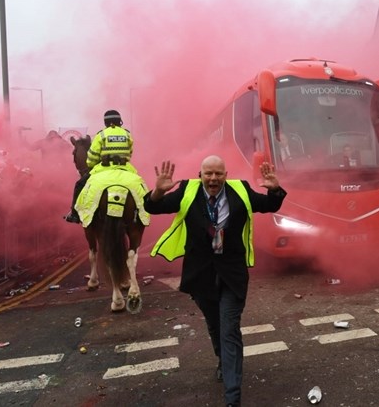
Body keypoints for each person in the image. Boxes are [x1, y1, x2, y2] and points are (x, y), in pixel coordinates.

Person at [144, 155, 286, 407]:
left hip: (232, 275)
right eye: (208, 174)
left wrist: (274, 189)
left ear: (225, 174)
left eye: (218, 174)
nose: (213, 179)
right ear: (200, 174)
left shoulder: (240, 189)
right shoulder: (187, 190)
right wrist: (156, 191)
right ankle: (222, 359)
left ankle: (233, 398)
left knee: (229, 329)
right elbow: (153, 208)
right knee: (215, 324)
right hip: (200, 276)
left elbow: (270, 205)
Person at [64, 109, 136, 223]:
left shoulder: (101, 134)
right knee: (140, 188)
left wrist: (91, 164)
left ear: (106, 123)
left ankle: (74, 214)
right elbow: (130, 152)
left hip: (104, 168)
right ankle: (140, 213)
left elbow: (92, 157)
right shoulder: (127, 134)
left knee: (79, 185)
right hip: (125, 168)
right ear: (120, 121)